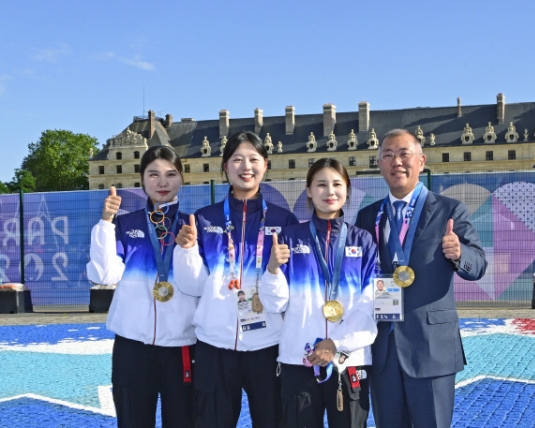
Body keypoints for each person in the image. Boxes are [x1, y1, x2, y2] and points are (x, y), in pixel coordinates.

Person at [355, 129, 487, 428]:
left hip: (431, 348)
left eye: (404, 154)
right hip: (383, 349)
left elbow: (478, 264)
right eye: (388, 155)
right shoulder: (367, 217)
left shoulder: (449, 210)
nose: (396, 162)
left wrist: (459, 253)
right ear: (379, 164)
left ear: (422, 161)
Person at [173, 131, 299, 428]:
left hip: (268, 346)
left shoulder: (284, 221)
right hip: (214, 346)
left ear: (265, 165)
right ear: (225, 166)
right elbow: (191, 286)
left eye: (253, 159)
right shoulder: (203, 219)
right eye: (237, 159)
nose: (246, 166)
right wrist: (187, 251)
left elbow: (289, 290)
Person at [260, 158, 378, 428]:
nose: (330, 191)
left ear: (347, 189)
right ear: (309, 191)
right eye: (321, 184)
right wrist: (273, 269)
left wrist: (335, 343)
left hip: (348, 361)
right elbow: (275, 304)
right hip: (299, 360)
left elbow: (370, 303)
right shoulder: (290, 238)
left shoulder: (363, 241)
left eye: (337, 184)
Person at [86, 146, 197, 427]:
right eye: (154, 174)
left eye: (171, 174)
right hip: (132, 348)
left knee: (182, 421)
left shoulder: (192, 227)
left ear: (182, 178)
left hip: (181, 346)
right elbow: (104, 274)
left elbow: (199, 285)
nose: (162, 182)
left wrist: (189, 249)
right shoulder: (125, 224)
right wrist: (105, 223)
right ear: (142, 179)